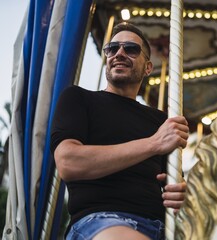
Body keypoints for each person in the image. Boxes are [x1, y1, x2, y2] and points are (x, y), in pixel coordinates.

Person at [51, 22, 189, 240]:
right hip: (98, 220)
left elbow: (174, 186)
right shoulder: (79, 99)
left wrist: (181, 193)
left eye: (131, 49)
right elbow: (69, 162)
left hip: (161, 225)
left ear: (148, 67)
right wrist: (153, 143)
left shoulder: (160, 121)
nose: (119, 53)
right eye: (112, 49)